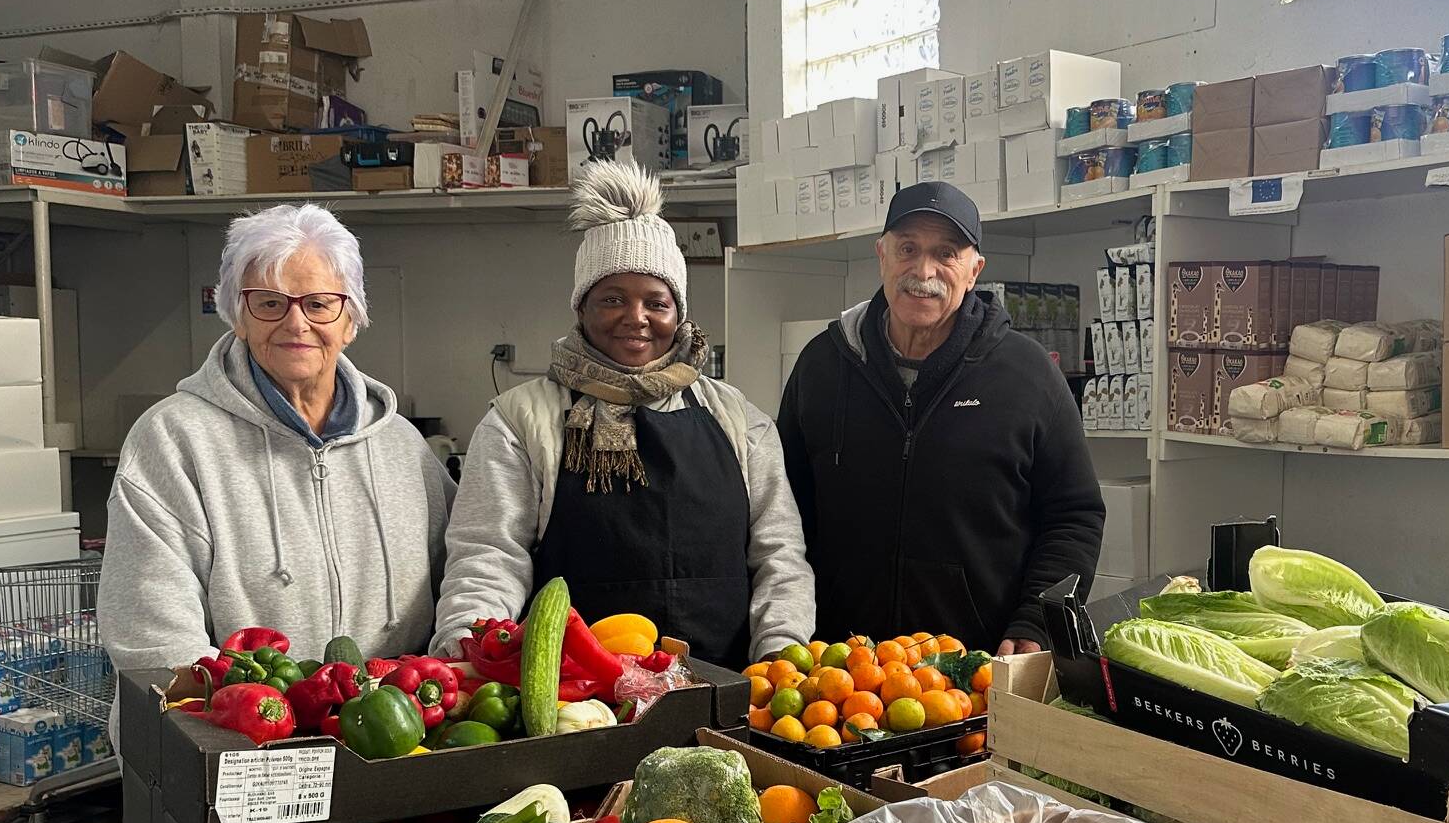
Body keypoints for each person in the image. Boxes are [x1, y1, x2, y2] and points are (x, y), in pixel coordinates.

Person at [433, 160, 813, 668]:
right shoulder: (519, 422)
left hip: (728, 690)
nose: (636, 318)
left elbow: (779, 560)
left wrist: (779, 665)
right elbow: (487, 558)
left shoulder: (738, 418)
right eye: (612, 298)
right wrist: (467, 658)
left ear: (678, 314)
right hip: (578, 704)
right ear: (581, 307)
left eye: (656, 302)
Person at [101, 204, 453, 674]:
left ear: (350, 321)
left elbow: (458, 577)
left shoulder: (402, 446)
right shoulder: (173, 440)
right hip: (240, 730)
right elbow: (154, 635)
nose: (296, 323)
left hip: (390, 733)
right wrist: (269, 717)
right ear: (237, 318)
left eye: (319, 304)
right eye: (269, 303)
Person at [777, 181, 1104, 653]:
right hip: (841, 667)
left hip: (975, 664)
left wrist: (1036, 619)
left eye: (945, 253)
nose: (923, 271)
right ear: (882, 255)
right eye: (907, 248)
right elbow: (783, 509)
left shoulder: (1027, 374)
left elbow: (1075, 515)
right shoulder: (824, 364)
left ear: (974, 270)